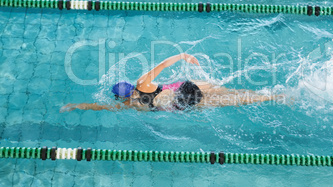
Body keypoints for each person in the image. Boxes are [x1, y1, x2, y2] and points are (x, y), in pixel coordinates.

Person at [60, 53, 284, 112]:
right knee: (229, 91)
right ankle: (271, 93)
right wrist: (184, 56)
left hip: (184, 102)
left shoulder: (128, 105)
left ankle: (274, 97)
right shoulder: (142, 84)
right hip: (186, 87)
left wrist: (77, 106)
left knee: (232, 101)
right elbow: (164, 65)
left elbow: (102, 106)